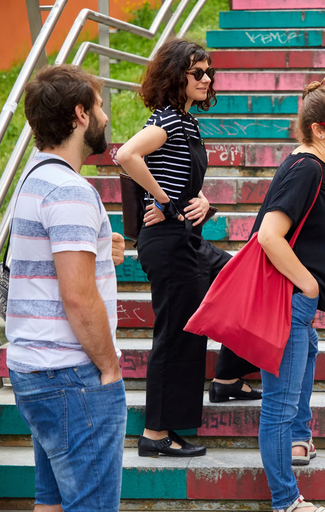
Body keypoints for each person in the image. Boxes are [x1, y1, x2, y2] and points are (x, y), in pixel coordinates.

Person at [115, 39, 260, 458]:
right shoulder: (168, 121)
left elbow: (180, 179)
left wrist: (202, 202)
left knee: (239, 281)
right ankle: (157, 434)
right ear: (176, 76)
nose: (207, 78)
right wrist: (163, 201)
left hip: (187, 239)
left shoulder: (186, 123)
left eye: (209, 72)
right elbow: (126, 154)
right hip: (169, 244)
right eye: (198, 72)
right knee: (176, 336)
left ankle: (229, 377)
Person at [6, 64, 126, 511]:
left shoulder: (34, 180)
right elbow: (77, 296)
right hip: (72, 376)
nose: (105, 117)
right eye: (98, 106)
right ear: (79, 115)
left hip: (35, 370)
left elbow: (47, 262)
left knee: (51, 503)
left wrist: (97, 247)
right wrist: (109, 368)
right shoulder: (70, 190)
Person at [253, 79, 325, 512]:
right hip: (292, 301)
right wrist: (309, 285)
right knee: (277, 407)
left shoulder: (308, 164)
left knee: (294, 392)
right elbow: (268, 236)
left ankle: (301, 435)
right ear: (320, 129)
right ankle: (286, 501)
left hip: (298, 308)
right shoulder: (308, 169)